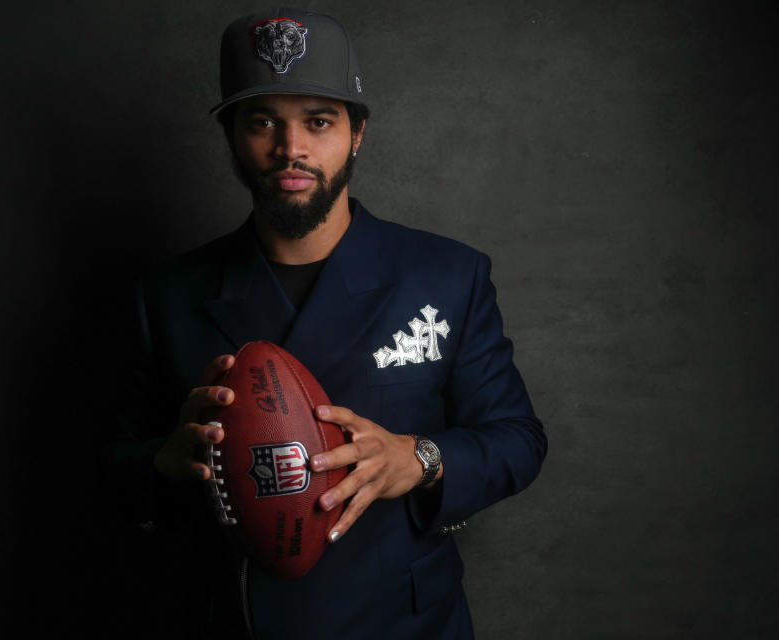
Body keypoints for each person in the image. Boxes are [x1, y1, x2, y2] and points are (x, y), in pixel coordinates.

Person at [108, 8, 547, 639]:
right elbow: (109, 473)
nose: (292, 149)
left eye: (319, 121)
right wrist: (163, 461)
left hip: (403, 624)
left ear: (357, 132)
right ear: (233, 134)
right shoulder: (170, 294)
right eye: (263, 122)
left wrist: (420, 458)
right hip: (237, 623)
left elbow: (519, 441)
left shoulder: (446, 276)